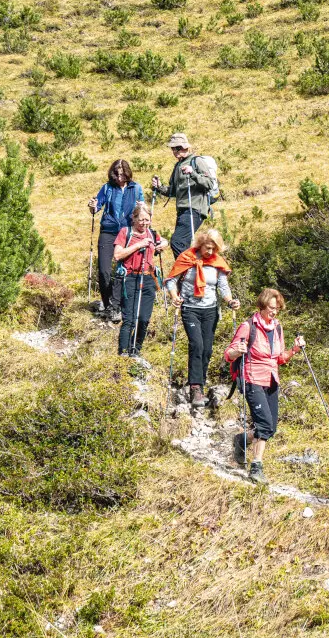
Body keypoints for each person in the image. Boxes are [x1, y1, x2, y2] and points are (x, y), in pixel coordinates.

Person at [222, 288, 304, 486]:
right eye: (271, 308)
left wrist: (294, 349)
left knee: (271, 428)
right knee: (265, 425)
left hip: (271, 380)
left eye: (277, 309)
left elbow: (279, 358)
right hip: (252, 379)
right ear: (262, 306)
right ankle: (256, 467)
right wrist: (237, 351)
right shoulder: (248, 326)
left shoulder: (277, 328)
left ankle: (242, 440)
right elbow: (228, 354)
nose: (274, 312)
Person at [165, 229, 241, 408]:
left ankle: (201, 381)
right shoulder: (187, 257)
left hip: (210, 310)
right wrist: (174, 296)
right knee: (197, 345)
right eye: (207, 248)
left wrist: (230, 301)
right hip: (190, 308)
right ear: (200, 245)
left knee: (207, 349)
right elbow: (171, 280)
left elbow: (223, 286)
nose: (210, 252)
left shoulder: (217, 262)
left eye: (214, 249)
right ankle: (195, 387)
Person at [87, 159, 144, 322]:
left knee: (124, 271)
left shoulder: (136, 188)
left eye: (122, 174)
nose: (120, 178)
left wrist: (141, 208)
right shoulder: (107, 188)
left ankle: (120, 305)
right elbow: (96, 207)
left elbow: (143, 210)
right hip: (108, 230)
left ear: (127, 173)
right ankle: (110, 305)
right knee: (104, 270)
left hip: (127, 232)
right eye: (117, 174)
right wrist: (93, 206)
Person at [113, 202, 169, 361]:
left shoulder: (151, 233)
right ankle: (123, 353)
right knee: (129, 319)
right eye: (141, 220)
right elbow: (118, 255)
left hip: (148, 278)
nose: (144, 223)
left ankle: (135, 349)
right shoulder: (126, 232)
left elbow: (164, 242)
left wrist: (161, 245)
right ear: (134, 218)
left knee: (144, 319)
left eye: (147, 219)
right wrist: (139, 245)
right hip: (130, 278)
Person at [151, 132, 217, 257]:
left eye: (176, 148)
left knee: (177, 241)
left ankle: (187, 270)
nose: (174, 151)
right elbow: (173, 191)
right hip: (182, 211)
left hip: (195, 209)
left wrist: (193, 173)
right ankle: (186, 274)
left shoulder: (196, 161)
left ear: (184, 147)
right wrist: (159, 187)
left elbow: (209, 183)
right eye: (173, 148)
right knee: (183, 243)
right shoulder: (178, 166)